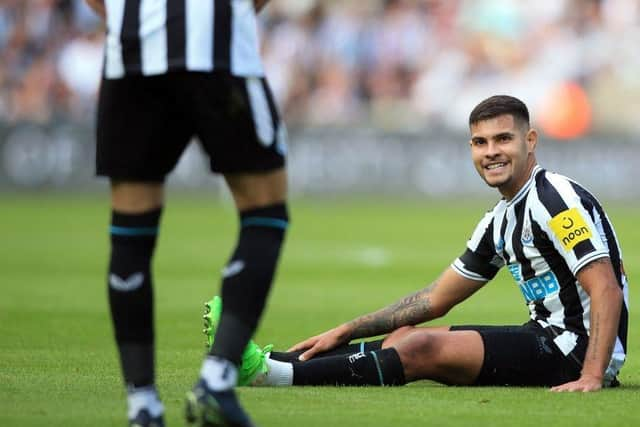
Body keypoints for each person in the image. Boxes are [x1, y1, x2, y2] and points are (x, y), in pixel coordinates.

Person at [205, 95, 628, 392]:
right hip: (546, 338)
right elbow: (433, 300)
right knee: (405, 333)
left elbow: (605, 287)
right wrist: (346, 329)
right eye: (481, 142)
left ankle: (271, 377)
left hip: (577, 351)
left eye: (503, 139)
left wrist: (592, 376)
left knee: (420, 347)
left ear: (530, 141)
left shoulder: (554, 199)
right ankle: (274, 361)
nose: (491, 152)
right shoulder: (500, 220)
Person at [86, 1, 287, 426]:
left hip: (132, 54)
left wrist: (127, 20)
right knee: (264, 213)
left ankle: (142, 406)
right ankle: (216, 381)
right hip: (217, 49)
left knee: (131, 231)